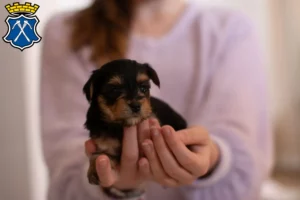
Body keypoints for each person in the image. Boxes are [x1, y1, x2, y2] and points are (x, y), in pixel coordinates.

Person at [40, 0, 273, 200]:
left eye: (143, 88)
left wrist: (213, 160)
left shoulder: (231, 29)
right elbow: (66, 164)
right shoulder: (68, 31)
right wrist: (110, 183)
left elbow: (245, 153)